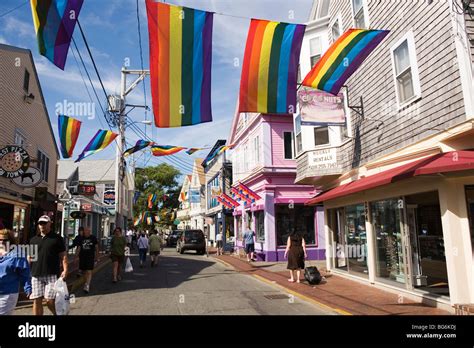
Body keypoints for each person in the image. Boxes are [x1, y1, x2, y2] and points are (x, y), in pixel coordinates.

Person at [29, 215, 68, 315]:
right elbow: (30, 258)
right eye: (40, 223)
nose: (42, 225)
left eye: (44, 223)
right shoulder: (33, 240)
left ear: (50, 224)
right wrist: (26, 271)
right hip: (36, 274)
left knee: (49, 301)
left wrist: (65, 269)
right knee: (36, 300)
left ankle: (58, 314)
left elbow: (63, 256)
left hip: (51, 274)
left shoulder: (57, 238)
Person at [0, 229, 32, 315]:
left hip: (8, 294)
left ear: (10, 240)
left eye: (5, 239)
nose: (2, 242)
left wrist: (28, 288)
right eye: (0, 239)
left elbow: (25, 274)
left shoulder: (17, 255)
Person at [74, 228, 98, 294]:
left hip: (90, 257)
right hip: (82, 257)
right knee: (84, 271)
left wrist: (97, 257)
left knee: (89, 271)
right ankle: (86, 282)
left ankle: (87, 285)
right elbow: (79, 248)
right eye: (84, 231)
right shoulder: (81, 238)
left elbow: (96, 247)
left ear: (89, 231)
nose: (85, 232)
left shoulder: (93, 238)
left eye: (87, 231)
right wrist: (76, 257)